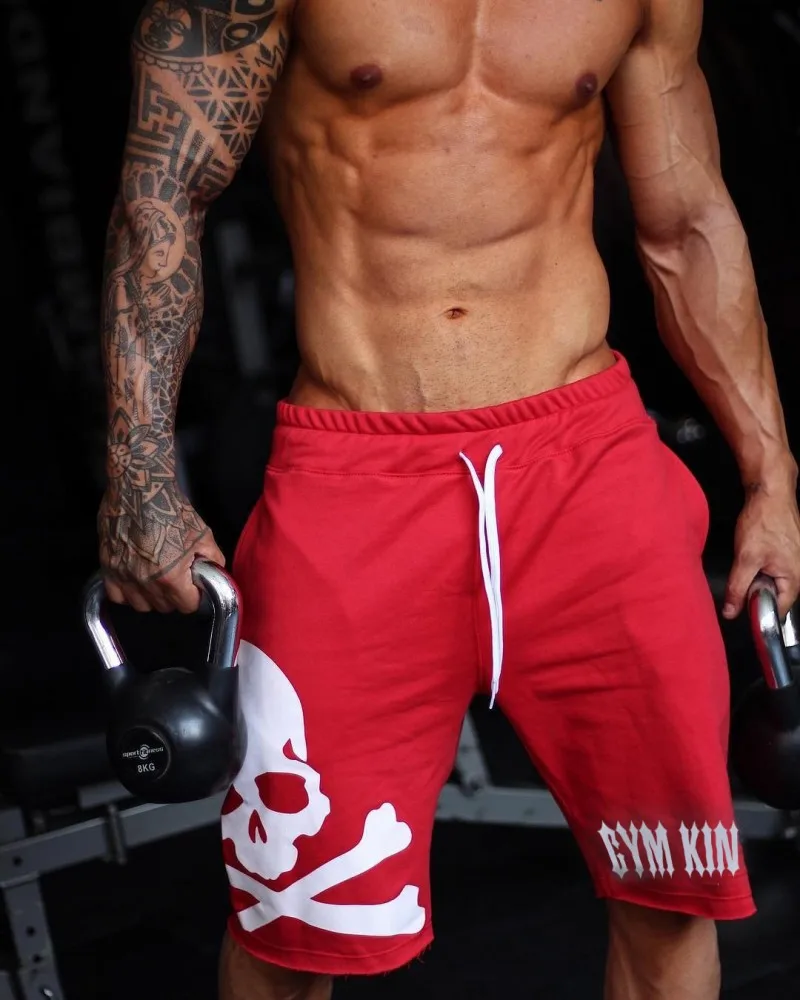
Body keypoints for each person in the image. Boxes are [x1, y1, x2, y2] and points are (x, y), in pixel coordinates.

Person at [96, 1, 800, 997]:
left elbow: (685, 222)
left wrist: (771, 474)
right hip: (356, 483)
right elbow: (165, 195)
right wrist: (138, 476)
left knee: (673, 890)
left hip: (589, 468)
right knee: (294, 919)